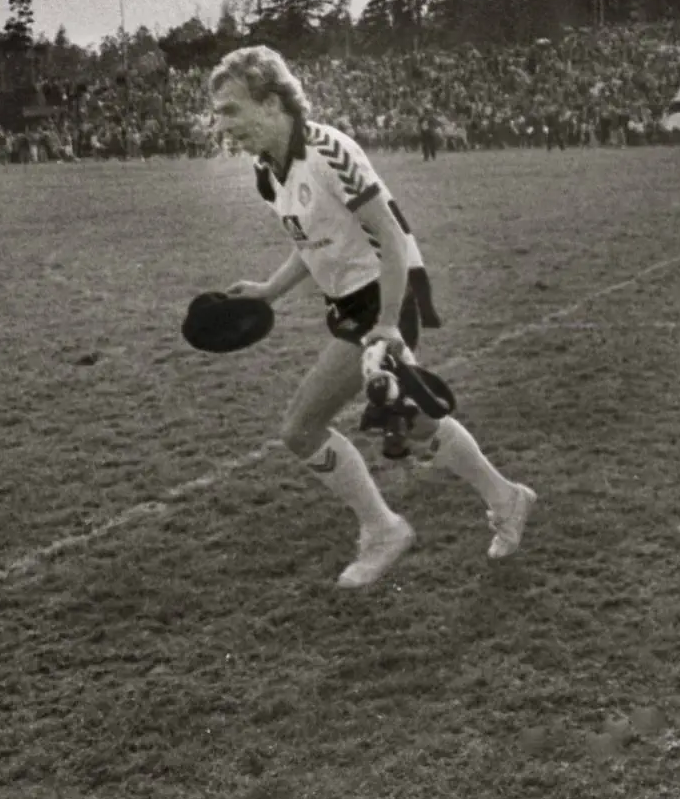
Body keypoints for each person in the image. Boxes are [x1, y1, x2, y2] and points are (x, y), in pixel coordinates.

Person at [208, 46, 536, 588]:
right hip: (351, 304)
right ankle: (507, 497)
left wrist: (386, 325)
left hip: (389, 294)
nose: (223, 125)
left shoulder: (328, 150)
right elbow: (312, 244)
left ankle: (383, 529)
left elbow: (388, 236)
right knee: (416, 423)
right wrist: (269, 290)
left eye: (232, 110)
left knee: (300, 428)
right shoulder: (267, 174)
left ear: (270, 103)